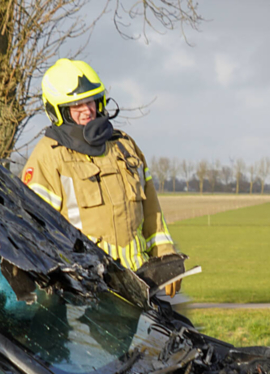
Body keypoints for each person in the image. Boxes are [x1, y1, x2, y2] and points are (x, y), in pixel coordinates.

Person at [22, 58, 180, 296]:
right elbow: (32, 227)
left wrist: (166, 255)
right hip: (87, 294)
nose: (87, 110)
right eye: (77, 105)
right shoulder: (47, 157)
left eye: (91, 101)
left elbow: (152, 213)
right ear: (58, 110)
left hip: (142, 285)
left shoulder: (124, 146)